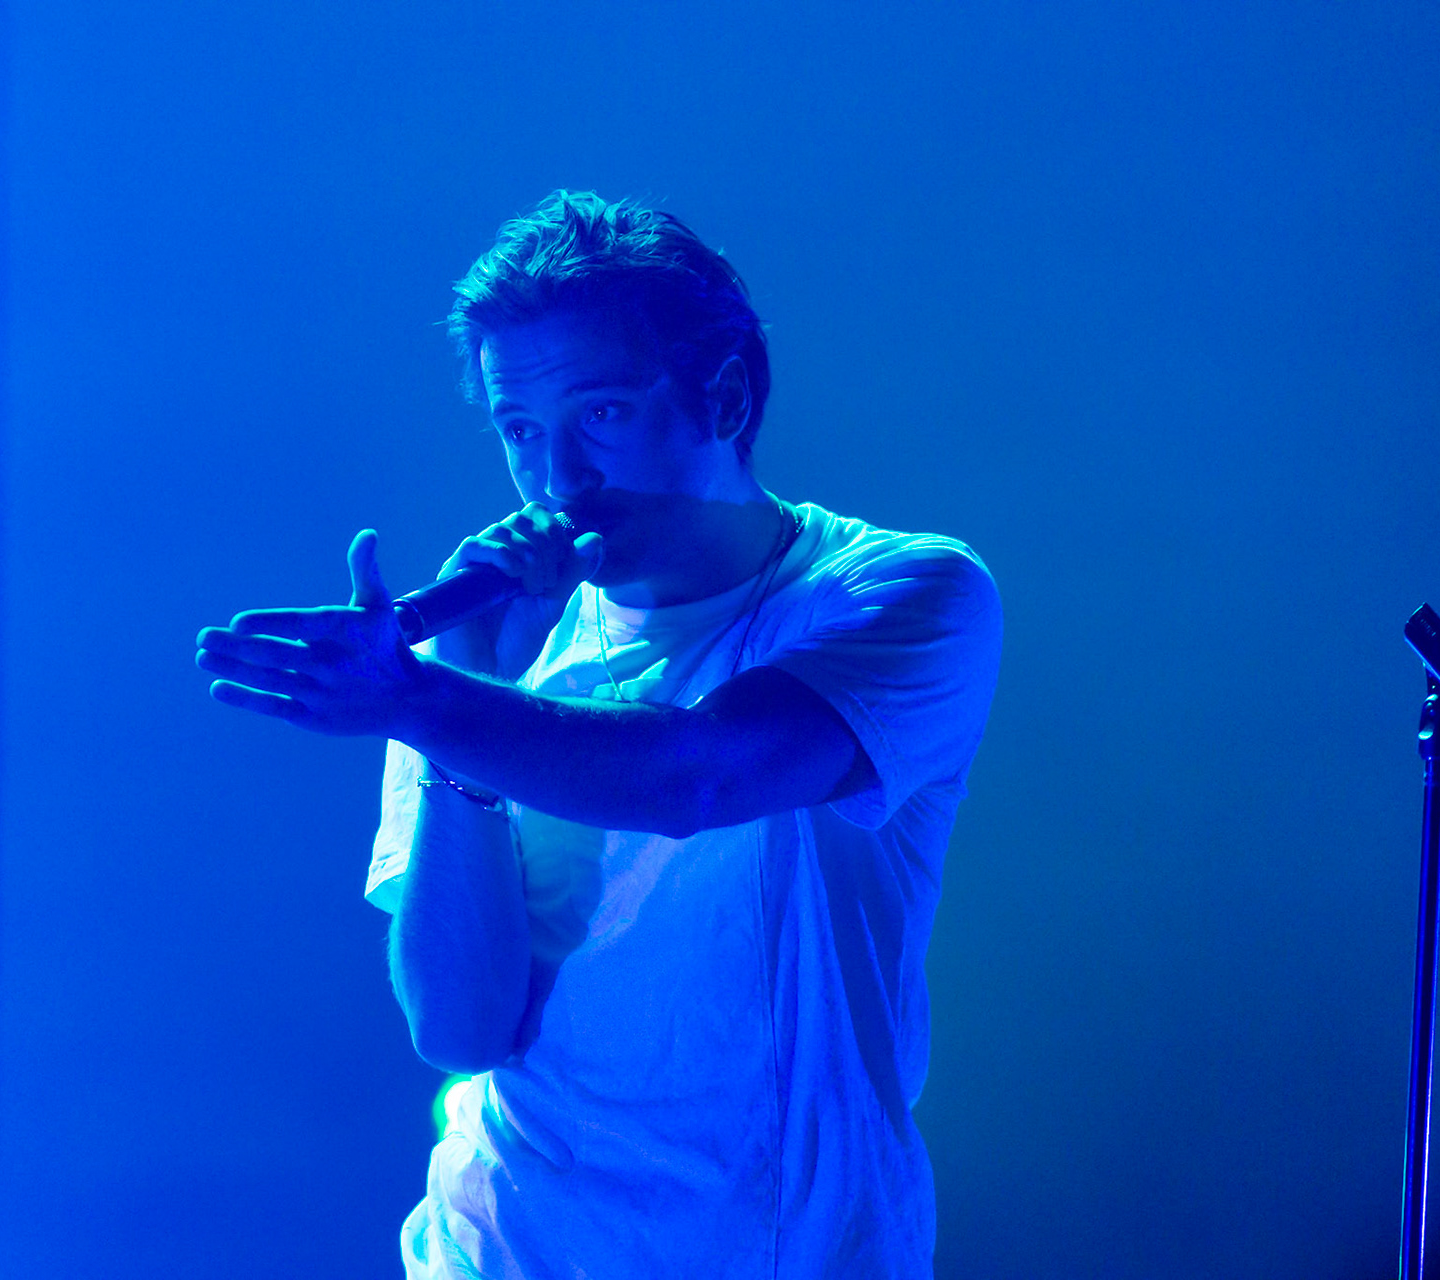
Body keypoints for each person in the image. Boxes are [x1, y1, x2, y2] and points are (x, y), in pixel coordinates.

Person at [195, 191, 1003, 1278]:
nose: (558, 476)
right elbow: (462, 1025)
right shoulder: (464, 671)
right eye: (520, 431)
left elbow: (700, 776)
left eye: (602, 416)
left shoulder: (902, 590)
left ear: (723, 395)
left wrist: (425, 705)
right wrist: (457, 689)